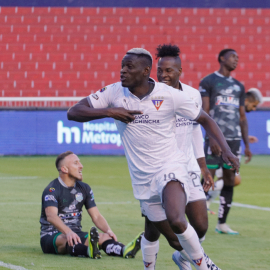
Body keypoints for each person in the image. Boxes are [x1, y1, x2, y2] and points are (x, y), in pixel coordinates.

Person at [67, 48, 239, 270]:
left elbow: (205, 119)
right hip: (142, 178)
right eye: (122, 66)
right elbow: (73, 112)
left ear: (145, 71)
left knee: (178, 220)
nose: (123, 71)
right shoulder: (114, 92)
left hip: (170, 166)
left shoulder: (169, 95)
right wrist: (110, 112)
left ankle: (205, 267)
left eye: (129, 67)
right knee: (173, 239)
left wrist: (226, 150)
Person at [140, 44, 216, 270]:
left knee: (200, 225)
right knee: (153, 229)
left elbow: (195, 130)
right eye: (160, 70)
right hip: (157, 169)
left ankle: (184, 258)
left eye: (169, 70)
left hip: (188, 167)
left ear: (180, 71)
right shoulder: (147, 97)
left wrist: (203, 167)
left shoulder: (192, 95)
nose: (163, 74)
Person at [40, 151, 143, 259]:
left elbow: (96, 216)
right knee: (66, 239)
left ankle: (124, 250)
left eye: (80, 162)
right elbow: (51, 216)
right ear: (64, 169)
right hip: (51, 236)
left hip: (76, 232)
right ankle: (88, 251)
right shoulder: (52, 189)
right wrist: (68, 232)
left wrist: (108, 230)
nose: (81, 166)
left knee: (102, 237)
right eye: (76, 163)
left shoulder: (84, 188)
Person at [199, 48, 251, 235]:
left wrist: (247, 145)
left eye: (238, 57)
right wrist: (211, 137)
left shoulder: (239, 86)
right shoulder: (208, 81)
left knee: (230, 180)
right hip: (215, 140)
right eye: (233, 57)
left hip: (234, 140)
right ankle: (196, 220)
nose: (236, 60)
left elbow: (242, 117)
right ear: (222, 58)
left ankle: (222, 223)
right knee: (207, 178)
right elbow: (205, 112)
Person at [205, 88, 263, 215]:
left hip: (228, 147)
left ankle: (206, 201)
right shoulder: (231, 109)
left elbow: (230, 129)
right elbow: (219, 126)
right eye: (254, 105)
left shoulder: (237, 111)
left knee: (225, 179)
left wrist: (246, 138)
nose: (254, 109)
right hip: (222, 148)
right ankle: (203, 201)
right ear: (246, 100)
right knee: (230, 180)